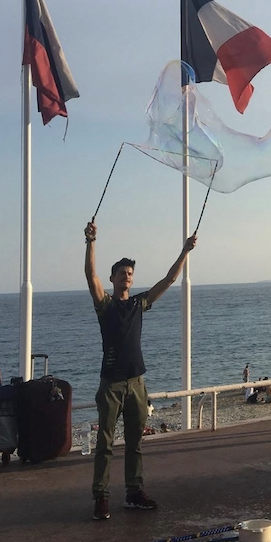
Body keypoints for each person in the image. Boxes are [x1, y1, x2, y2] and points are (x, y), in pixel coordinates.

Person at [84, 220, 196, 521]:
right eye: (122, 273)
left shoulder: (138, 304)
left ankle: (134, 493)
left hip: (136, 383)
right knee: (105, 444)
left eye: (130, 273)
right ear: (113, 278)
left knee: (135, 443)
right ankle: (101, 497)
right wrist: (91, 241)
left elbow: (169, 280)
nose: (127, 276)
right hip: (111, 384)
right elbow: (91, 276)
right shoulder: (105, 305)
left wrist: (185, 251)